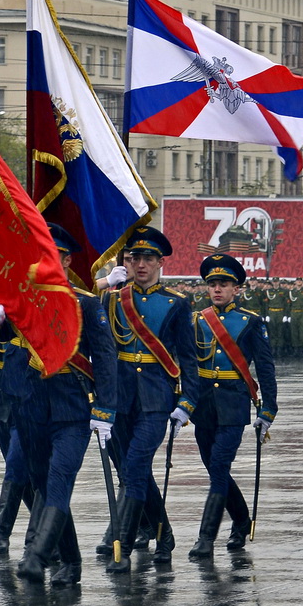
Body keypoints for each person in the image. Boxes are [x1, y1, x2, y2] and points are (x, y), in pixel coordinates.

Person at [0, 225, 120, 585]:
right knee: (42, 482)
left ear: (66, 260)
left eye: (55, 256)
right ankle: (71, 562)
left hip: (71, 407)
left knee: (60, 477)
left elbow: (105, 358)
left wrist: (105, 410)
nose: (47, 261)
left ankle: (37, 556)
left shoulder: (87, 303)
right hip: (27, 404)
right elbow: (7, 338)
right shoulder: (21, 298)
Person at [101, 226, 199, 573]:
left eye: (147, 259)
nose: (140, 265)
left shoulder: (175, 303)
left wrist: (187, 401)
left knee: (136, 467)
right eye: (134, 258)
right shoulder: (111, 298)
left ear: (160, 262)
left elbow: (188, 357)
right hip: (118, 397)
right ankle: (165, 532)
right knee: (131, 472)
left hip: (157, 397)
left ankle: (123, 546)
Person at [187, 254, 278, 557]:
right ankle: (241, 520)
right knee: (215, 471)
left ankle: (205, 538)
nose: (216, 289)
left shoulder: (250, 322)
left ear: (236, 289)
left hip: (233, 401)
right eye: (212, 284)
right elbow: (185, 362)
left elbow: (265, 368)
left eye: (223, 284)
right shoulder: (196, 320)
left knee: (218, 466)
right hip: (203, 404)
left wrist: (268, 409)